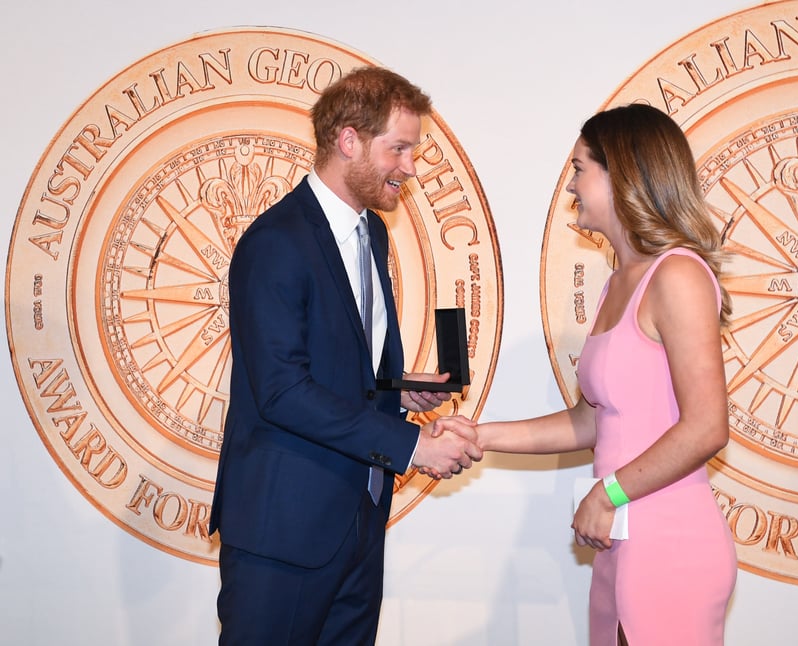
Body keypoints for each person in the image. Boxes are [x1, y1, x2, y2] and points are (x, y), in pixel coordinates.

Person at [209, 66, 481, 646]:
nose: (410, 167)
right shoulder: (275, 243)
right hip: (284, 532)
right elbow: (281, 390)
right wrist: (413, 445)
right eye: (400, 148)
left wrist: (397, 389)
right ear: (349, 139)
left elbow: (338, 365)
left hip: (359, 522)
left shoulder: (371, 234)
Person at [456, 103, 737, 645]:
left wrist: (606, 494)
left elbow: (706, 428)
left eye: (581, 168)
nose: (572, 187)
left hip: (669, 543)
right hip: (623, 539)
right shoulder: (618, 282)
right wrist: (481, 436)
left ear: (623, 174)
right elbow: (591, 423)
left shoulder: (677, 275)